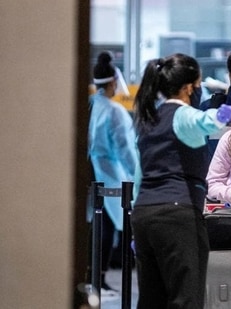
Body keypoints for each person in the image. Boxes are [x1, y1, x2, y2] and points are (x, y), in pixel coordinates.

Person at [131, 53, 231, 308]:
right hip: (177, 214)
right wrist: (226, 109)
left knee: (151, 299)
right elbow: (204, 121)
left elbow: (139, 174)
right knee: (185, 297)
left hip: (143, 215)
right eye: (199, 84)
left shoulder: (149, 119)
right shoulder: (182, 115)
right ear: (190, 87)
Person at [87, 51, 138, 299]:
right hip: (113, 172)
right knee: (109, 225)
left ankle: (95, 278)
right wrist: (137, 173)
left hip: (94, 170)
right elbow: (126, 148)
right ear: (113, 82)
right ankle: (99, 280)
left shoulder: (91, 104)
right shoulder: (115, 111)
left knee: (99, 224)